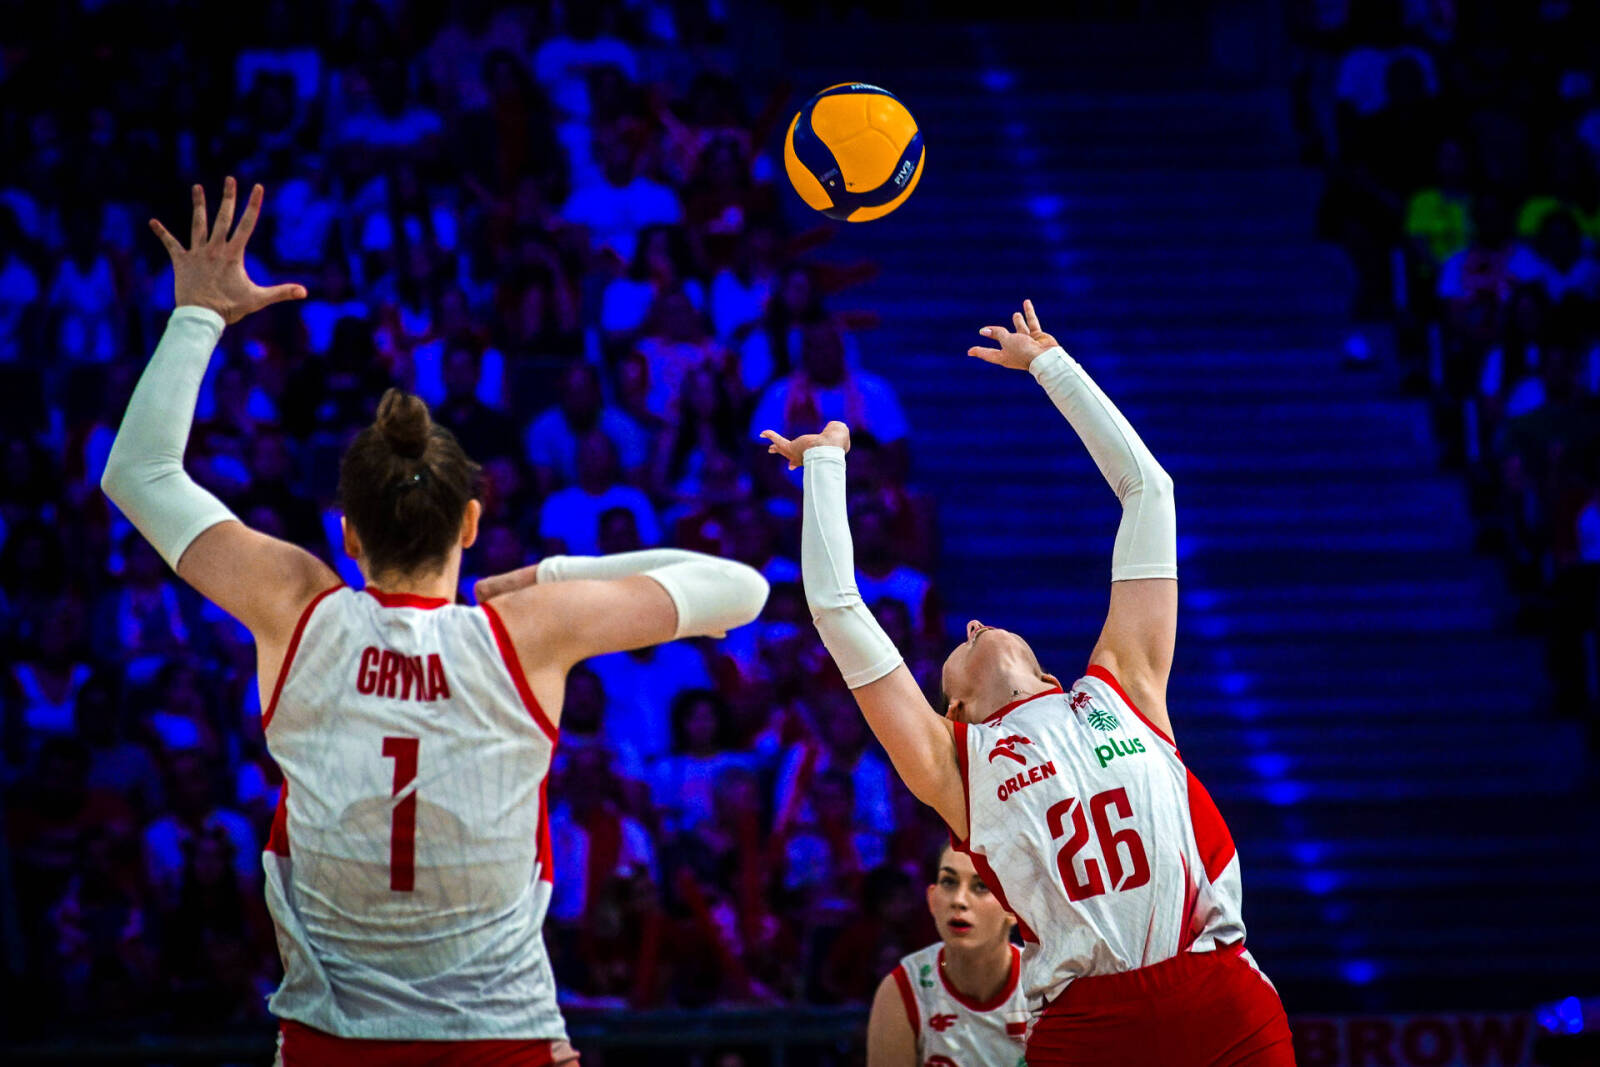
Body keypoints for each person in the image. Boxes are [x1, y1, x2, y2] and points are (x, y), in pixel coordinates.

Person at [102, 178, 769, 1065]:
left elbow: (139, 474)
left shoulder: (297, 606)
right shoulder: (528, 629)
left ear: (347, 532)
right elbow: (742, 588)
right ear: (472, 523)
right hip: (502, 1039)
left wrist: (197, 316)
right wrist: (549, 574)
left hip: (333, 1044)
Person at [760, 300, 1292, 1066]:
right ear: (957, 707)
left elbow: (1150, 490)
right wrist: (826, 464)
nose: (974, 623)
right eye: (959, 640)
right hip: (1089, 1024)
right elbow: (839, 611)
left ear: (1047, 672)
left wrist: (1051, 365)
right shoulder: (954, 766)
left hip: (1216, 993)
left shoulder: (1124, 684)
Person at [866, 844, 1029, 1067]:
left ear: (1014, 907)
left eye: (981, 886)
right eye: (949, 882)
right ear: (932, 899)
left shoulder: (1046, 987)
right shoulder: (902, 989)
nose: (958, 900)